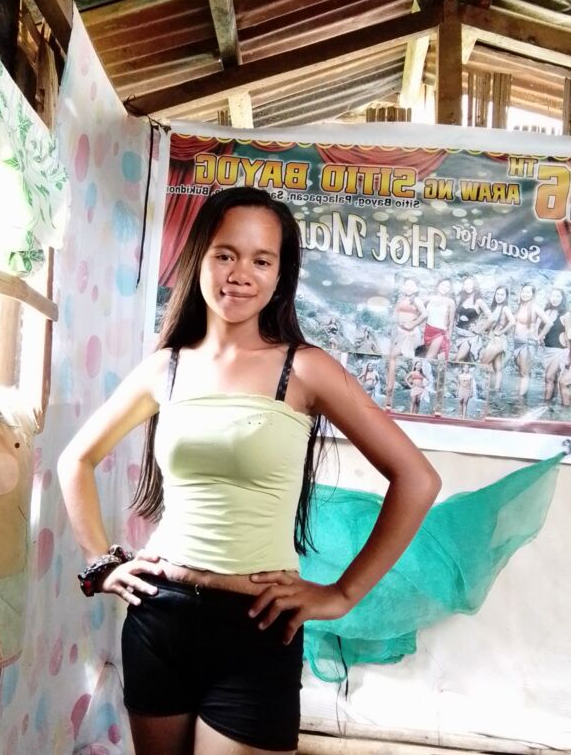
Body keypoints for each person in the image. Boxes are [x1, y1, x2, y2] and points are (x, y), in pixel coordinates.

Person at [57, 188, 441, 755]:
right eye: (225, 254)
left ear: (280, 276)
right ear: (199, 259)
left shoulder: (305, 369)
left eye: (261, 260)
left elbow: (417, 479)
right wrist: (102, 563)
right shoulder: (165, 368)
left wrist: (342, 594)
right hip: (157, 617)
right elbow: (75, 459)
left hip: (257, 627)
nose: (240, 274)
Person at [385, 278, 426, 408]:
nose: (408, 287)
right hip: (399, 331)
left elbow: (425, 314)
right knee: (392, 357)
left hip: (410, 333)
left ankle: (392, 391)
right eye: (406, 285)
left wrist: (413, 324)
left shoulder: (417, 300)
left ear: (416, 288)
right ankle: (390, 391)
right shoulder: (401, 300)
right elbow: (395, 315)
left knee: (396, 357)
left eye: (411, 285)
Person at [512, 283, 547, 399]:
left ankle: (520, 401)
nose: (525, 294)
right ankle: (521, 395)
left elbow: (548, 322)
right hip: (517, 342)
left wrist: (539, 336)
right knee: (521, 370)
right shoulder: (520, 306)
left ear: (533, 294)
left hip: (527, 343)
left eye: (528, 292)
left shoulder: (535, 307)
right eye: (523, 291)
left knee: (524, 372)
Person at [536, 288, 571, 405]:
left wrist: (569, 357)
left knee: (549, 377)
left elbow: (569, 336)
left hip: (559, 351)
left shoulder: (566, 315)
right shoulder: (546, 312)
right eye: (553, 296)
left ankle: (545, 404)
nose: (555, 299)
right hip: (547, 350)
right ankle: (552, 404)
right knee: (553, 379)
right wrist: (539, 338)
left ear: (562, 299)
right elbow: (539, 329)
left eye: (558, 296)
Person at [479, 286, 515, 393]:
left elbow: (513, 322)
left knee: (483, 363)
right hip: (493, 340)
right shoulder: (494, 308)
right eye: (497, 294)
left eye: (502, 295)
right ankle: (496, 390)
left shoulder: (505, 308)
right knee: (497, 367)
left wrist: (500, 332)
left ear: (506, 296)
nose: (499, 297)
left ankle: (484, 389)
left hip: (498, 340)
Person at [453, 276, 491, 362]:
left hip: (470, 338)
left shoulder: (479, 301)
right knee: (464, 363)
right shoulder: (461, 299)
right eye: (466, 284)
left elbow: (491, 318)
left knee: (457, 360)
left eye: (470, 284)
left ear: (475, 285)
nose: (468, 286)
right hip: (459, 336)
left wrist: (479, 329)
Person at [421, 278, 456, 361]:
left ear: (450, 289)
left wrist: (449, 338)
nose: (444, 288)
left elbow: (451, 322)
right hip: (427, 330)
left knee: (428, 358)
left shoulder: (450, 302)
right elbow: (420, 312)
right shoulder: (429, 298)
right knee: (431, 358)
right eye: (443, 285)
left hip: (440, 332)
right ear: (438, 285)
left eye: (447, 286)